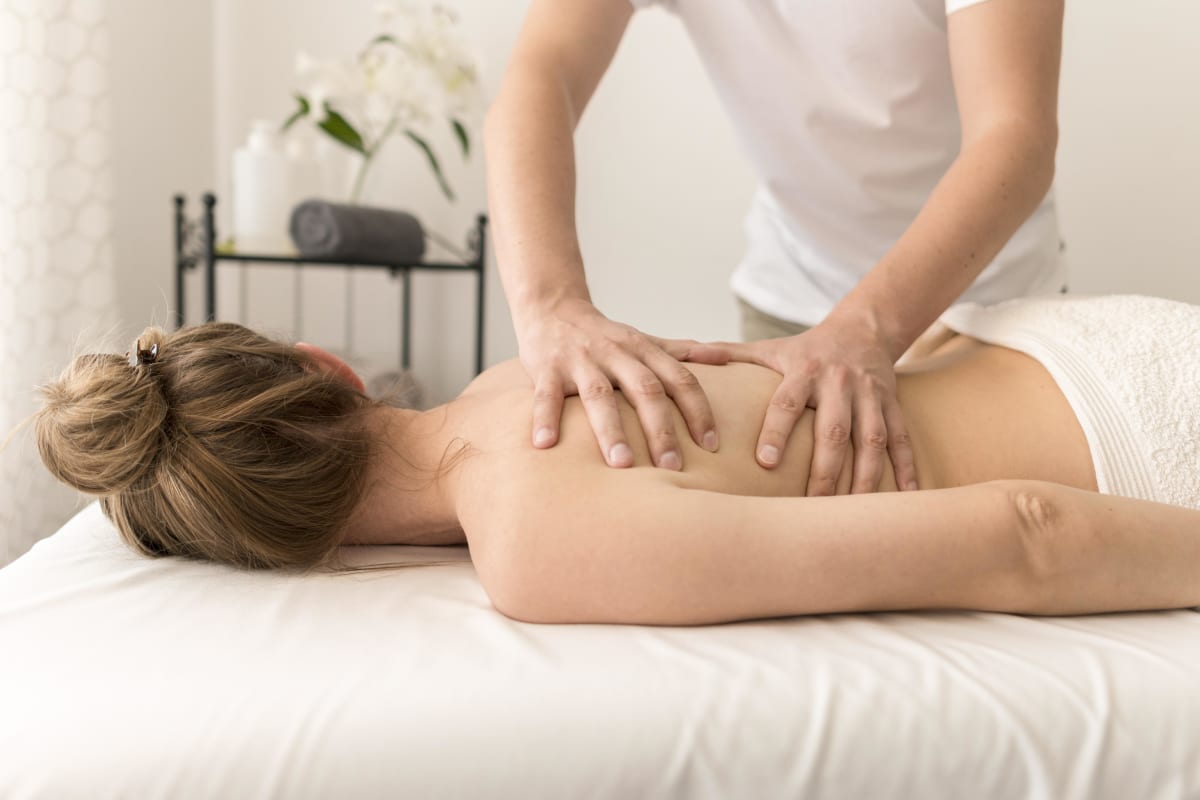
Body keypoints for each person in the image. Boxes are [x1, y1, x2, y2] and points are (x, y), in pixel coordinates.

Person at [34, 294, 1200, 625]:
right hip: (1065, 332)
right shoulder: (521, 380)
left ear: (282, 541)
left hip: (1130, 430)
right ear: (327, 365)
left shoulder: (536, 540)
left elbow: (1026, 537)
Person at [484, 0, 1066, 498]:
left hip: (985, 306)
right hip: (791, 296)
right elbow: (542, 73)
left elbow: (1014, 134)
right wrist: (549, 304)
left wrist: (868, 328)